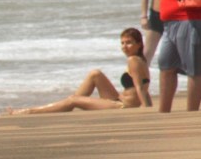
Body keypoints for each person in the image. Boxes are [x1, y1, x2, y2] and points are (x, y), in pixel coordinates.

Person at [8, 28, 152, 114]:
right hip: (120, 99)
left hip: (123, 106)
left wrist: (147, 110)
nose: (124, 46)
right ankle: (69, 103)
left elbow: (141, 89)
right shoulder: (140, 60)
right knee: (95, 74)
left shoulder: (133, 61)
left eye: (129, 43)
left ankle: (31, 111)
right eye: (122, 43)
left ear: (139, 44)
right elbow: (145, 87)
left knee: (73, 100)